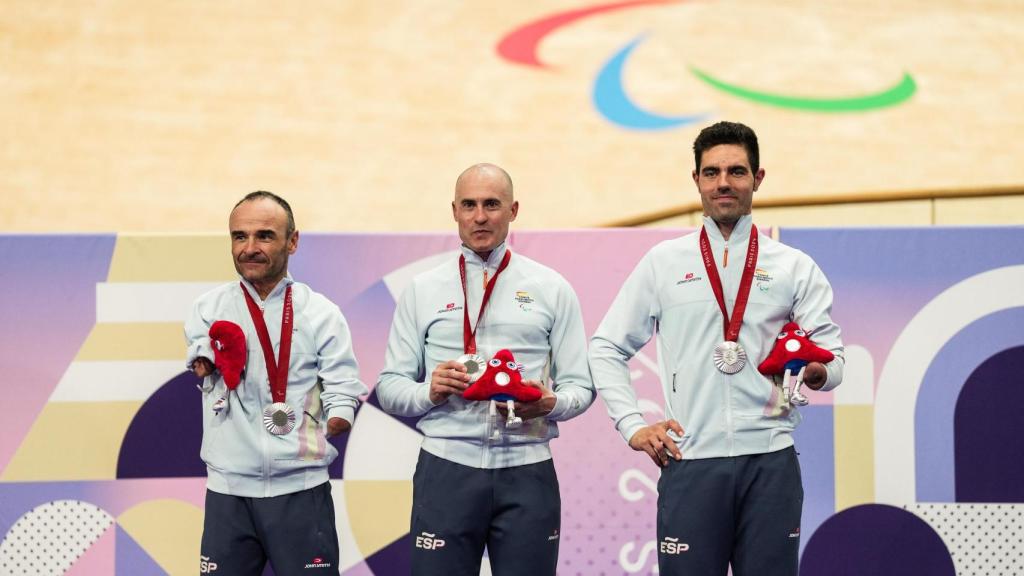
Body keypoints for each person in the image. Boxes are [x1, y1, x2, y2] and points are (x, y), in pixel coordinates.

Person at [589, 121, 844, 576]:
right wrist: (632, 425)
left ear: (758, 178)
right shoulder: (663, 263)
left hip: (770, 462)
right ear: (697, 181)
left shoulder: (793, 267)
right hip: (691, 463)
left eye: (736, 171)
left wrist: (814, 371)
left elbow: (833, 356)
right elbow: (606, 347)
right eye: (711, 173)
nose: (723, 182)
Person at [376, 163, 595, 576]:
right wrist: (430, 391)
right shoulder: (423, 290)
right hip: (446, 467)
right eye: (470, 205)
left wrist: (549, 404)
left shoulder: (552, 288)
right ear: (454, 211)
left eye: (492, 205)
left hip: (527, 467)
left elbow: (581, 388)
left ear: (513, 210)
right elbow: (389, 388)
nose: (480, 216)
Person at [185, 191, 367, 575]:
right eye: (239, 236)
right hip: (228, 494)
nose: (249, 248)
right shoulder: (208, 308)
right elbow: (202, 352)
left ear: (293, 241)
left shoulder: (321, 313)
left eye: (265, 236)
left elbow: (343, 381)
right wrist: (203, 362)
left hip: (301, 489)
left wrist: (339, 416)